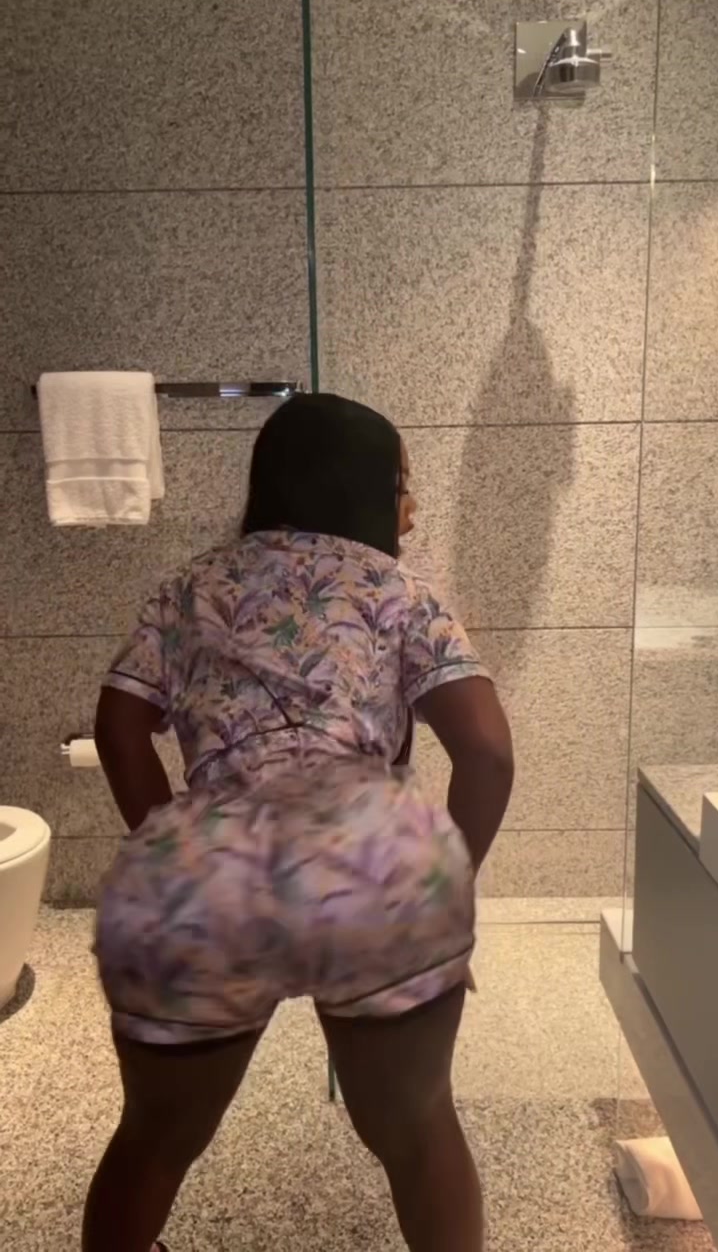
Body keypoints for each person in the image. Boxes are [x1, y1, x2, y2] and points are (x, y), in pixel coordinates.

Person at [83, 392, 514, 1252]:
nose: (413, 507)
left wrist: (172, 843)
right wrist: (441, 881)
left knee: (154, 1141)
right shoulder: (399, 591)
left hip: (206, 877)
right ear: (365, 489)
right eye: (404, 485)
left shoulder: (189, 587)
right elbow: (489, 752)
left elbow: (118, 727)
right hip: (372, 873)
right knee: (419, 1132)